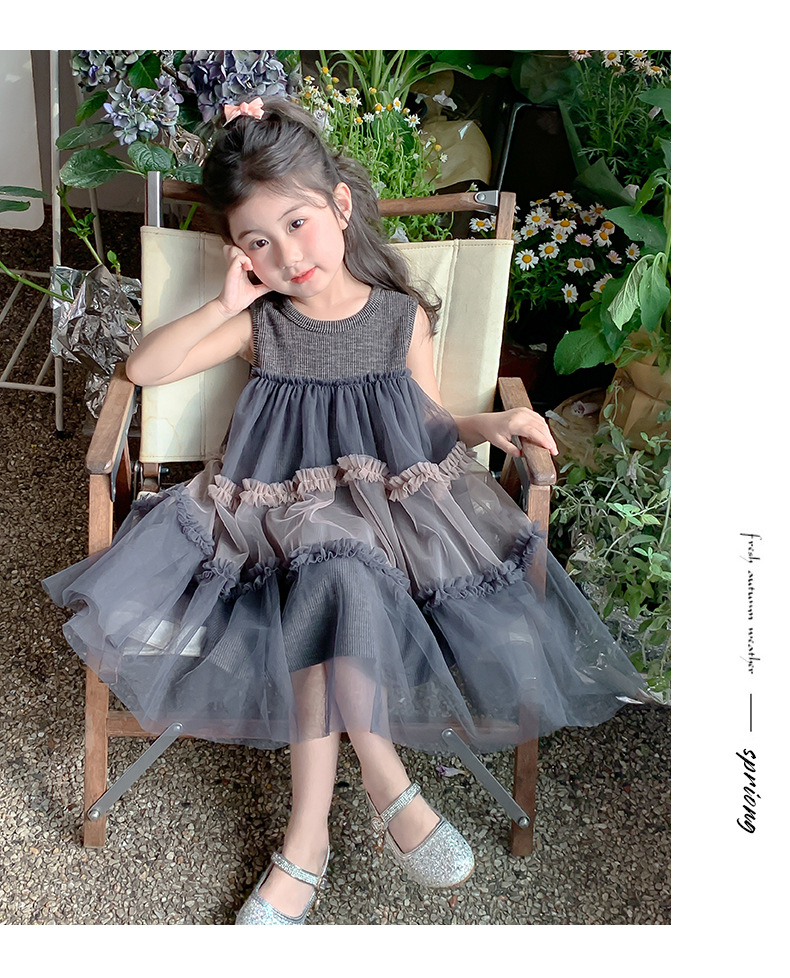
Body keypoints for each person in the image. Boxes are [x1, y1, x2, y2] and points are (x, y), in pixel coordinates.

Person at [43, 96, 649, 925]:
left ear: (338, 205)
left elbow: (430, 426)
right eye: (257, 241)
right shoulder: (264, 323)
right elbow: (144, 371)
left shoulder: (400, 318)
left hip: (392, 519)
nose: (285, 255)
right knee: (328, 562)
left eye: (296, 224)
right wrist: (224, 303)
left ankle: (307, 844)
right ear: (239, 251)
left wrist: (494, 425)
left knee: (343, 564)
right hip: (268, 521)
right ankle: (384, 783)